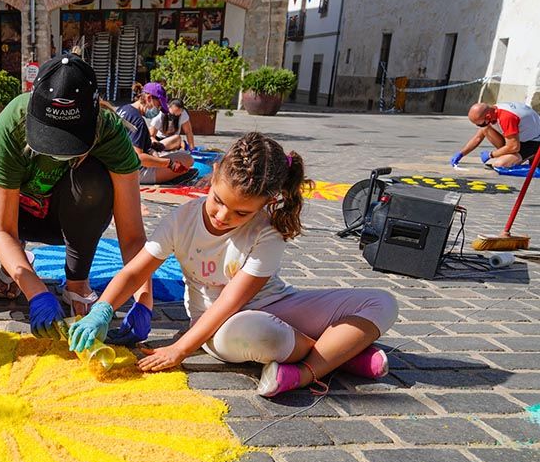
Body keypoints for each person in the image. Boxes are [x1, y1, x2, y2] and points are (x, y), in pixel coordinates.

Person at [68, 132, 398, 397]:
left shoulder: (268, 229)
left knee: (383, 302)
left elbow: (233, 299)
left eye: (241, 213)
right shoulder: (180, 221)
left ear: (267, 203)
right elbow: (135, 270)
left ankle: (303, 372)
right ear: (213, 177)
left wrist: (180, 349)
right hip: (219, 328)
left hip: (273, 305)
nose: (224, 216)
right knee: (260, 333)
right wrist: (104, 309)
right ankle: (338, 354)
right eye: (218, 201)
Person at [0, 53, 154, 339]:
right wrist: (36, 292)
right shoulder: (12, 121)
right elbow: (1, 228)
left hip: (68, 217)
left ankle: (77, 284)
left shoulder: (108, 130)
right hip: (21, 209)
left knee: (94, 182)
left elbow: (131, 235)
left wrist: (143, 300)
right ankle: (19, 258)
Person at [117, 81, 195, 185]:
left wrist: (153, 148)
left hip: (116, 165)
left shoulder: (123, 109)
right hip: (132, 172)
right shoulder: (138, 121)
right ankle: (170, 178)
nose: (158, 110)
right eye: (158, 106)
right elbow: (139, 158)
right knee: (187, 159)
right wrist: (169, 164)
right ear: (149, 98)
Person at [451, 102, 540, 168]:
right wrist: (461, 153)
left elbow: (514, 147)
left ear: (488, 116)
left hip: (533, 142)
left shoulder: (506, 118)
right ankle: (512, 156)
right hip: (520, 138)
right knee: (485, 128)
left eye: (480, 124)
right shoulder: (493, 111)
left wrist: (491, 155)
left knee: (499, 164)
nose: (479, 126)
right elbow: (478, 137)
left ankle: (533, 154)